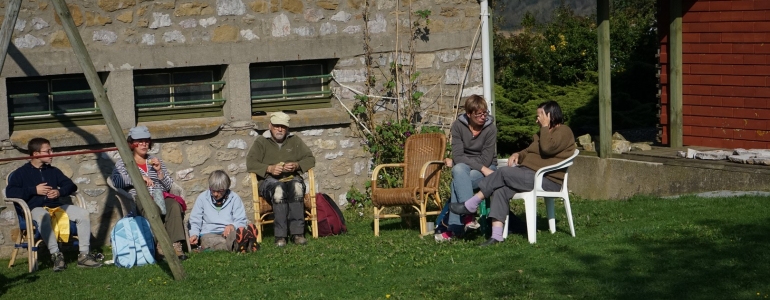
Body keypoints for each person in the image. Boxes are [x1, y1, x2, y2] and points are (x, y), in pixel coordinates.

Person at [450, 100, 576, 247]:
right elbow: (531, 151)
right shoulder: (541, 133)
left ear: (550, 115)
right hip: (528, 175)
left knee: (502, 173)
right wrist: (518, 154)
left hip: (547, 180)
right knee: (500, 189)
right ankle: (496, 236)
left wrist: (545, 126)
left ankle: (472, 203)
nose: (537, 120)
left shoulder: (563, 131)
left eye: (539, 116)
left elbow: (547, 148)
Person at [5, 137, 103, 271]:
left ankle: (84, 256)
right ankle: (56, 256)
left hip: (56, 206)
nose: (52, 153)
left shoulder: (53, 171)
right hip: (34, 209)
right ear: (36, 154)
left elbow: (71, 186)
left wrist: (59, 192)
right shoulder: (21, 173)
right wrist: (34, 190)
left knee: (83, 213)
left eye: (51, 150)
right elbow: (10, 192)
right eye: (48, 151)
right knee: (43, 216)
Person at [111, 125, 187, 260]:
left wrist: (159, 171)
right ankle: (159, 246)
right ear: (132, 143)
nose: (144, 144)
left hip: (160, 195)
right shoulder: (124, 163)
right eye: (139, 141)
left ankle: (176, 246)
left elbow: (169, 186)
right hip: (139, 198)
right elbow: (117, 181)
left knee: (174, 205)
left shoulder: (155, 160)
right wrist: (138, 178)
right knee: (152, 209)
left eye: (146, 141)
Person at [246, 112, 316, 247]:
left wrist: (297, 165)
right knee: (279, 190)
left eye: (283, 127)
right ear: (270, 126)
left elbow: (310, 159)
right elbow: (250, 163)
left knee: (297, 188)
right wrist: (269, 169)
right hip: (269, 182)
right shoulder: (261, 141)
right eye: (277, 126)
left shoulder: (294, 140)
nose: (280, 129)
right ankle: (280, 236)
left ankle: (297, 234)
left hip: (291, 178)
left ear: (287, 128)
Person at [435, 95, 498, 242]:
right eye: (479, 114)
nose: (483, 117)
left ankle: (456, 228)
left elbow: (486, 160)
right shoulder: (458, 126)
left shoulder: (490, 129)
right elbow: (458, 155)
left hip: (488, 168)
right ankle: (468, 217)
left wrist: (463, 161)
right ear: (469, 114)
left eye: (485, 113)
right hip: (476, 168)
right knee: (459, 170)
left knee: (457, 179)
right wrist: (461, 161)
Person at [188, 171, 250, 252]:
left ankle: (239, 244)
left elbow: (241, 220)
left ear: (226, 188)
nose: (215, 194)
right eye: (213, 190)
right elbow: (195, 220)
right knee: (212, 241)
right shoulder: (202, 198)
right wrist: (194, 234)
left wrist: (232, 226)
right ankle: (243, 245)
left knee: (234, 235)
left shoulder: (234, 198)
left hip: (229, 233)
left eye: (219, 191)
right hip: (209, 233)